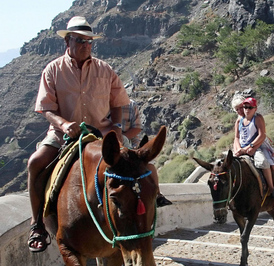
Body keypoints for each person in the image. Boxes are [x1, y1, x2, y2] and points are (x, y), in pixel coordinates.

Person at [27, 16, 131, 252]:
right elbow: (46, 108)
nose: (85, 45)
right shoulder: (53, 70)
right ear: (68, 42)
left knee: (134, 163)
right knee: (35, 163)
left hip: (101, 132)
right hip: (63, 134)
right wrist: (64, 125)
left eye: (89, 41)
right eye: (80, 40)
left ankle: (147, 210)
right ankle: (37, 225)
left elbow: (120, 104)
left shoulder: (105, 70)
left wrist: (116, 128)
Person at [117, 100, 172, 207]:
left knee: (149, 165)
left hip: (131, 144)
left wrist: (123, 138)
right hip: (110, 145)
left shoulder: (131, 105)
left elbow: (137, 128)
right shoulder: (101, 102)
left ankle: (158, 196)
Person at [233, 97, 274, 203]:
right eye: (244, 107)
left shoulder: (257, 118)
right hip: (243, 148)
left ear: (255, 108)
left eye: (249, 107)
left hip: (257, 147)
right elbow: (236, 137)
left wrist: (250, 147)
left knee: (265, 163)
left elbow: (262, 135)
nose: (245, 110)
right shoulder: (239, 120)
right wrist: (238, 149)